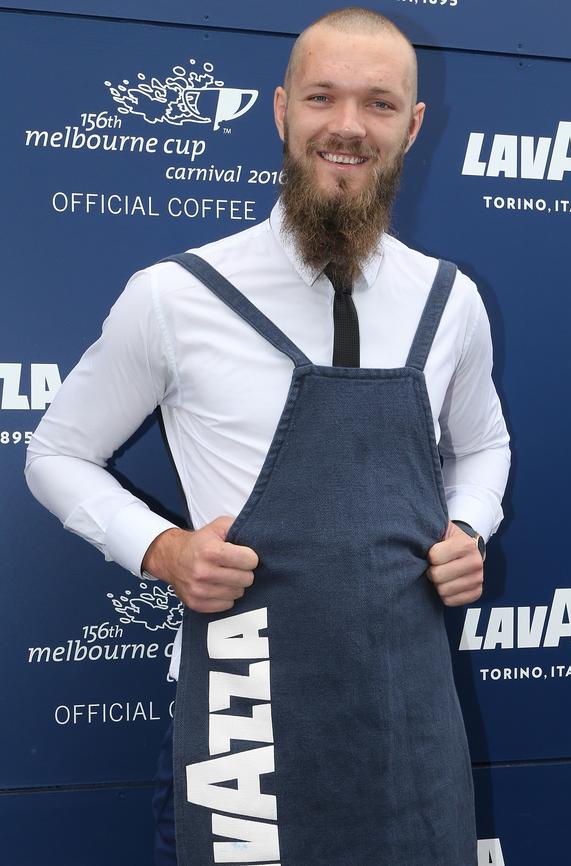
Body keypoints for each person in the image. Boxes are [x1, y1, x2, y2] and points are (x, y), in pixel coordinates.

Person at [25, 7, 510, 866]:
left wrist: (469, 524)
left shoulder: (450, 300)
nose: (349, 127)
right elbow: (56, 452)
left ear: (414, 126)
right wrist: (162, 548)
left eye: (379, 104)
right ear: (282, 110)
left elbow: (482, 448)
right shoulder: (177, 296)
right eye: (323, 98)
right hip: (243, 723)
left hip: (412, 721)